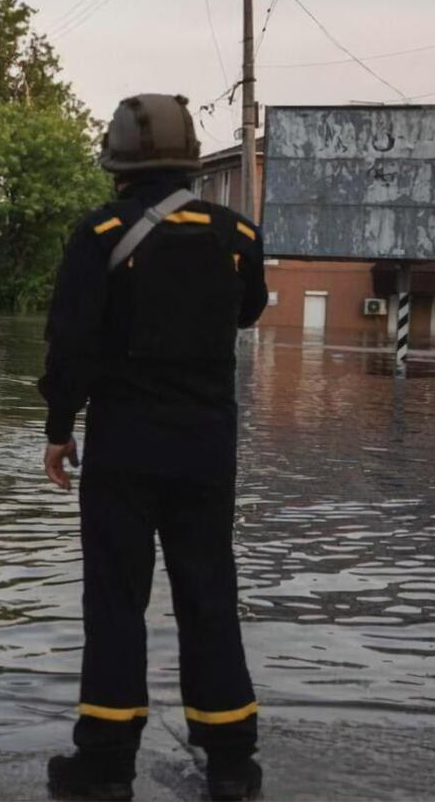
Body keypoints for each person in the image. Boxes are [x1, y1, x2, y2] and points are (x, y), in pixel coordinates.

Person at [38, 94, 268, 802]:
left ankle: (105, 763)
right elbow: (249, 308)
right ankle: (232, 760)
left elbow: (70, 339)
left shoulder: (100, 232)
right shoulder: (237, 233)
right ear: (191, 160)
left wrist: (57, 425)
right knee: (209, 592)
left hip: (125, 446)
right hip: (207, 447)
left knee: (115, 596)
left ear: (117, 165)